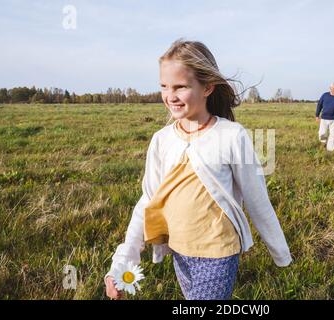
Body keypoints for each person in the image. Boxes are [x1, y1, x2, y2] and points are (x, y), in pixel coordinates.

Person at [104, 39, 292, 300]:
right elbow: (148, 200)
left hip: (218, 251)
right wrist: (123, 260)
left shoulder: (231, 135)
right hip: (179, 250)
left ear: (207, 87)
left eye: (180, 86)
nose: (170, 96)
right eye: (164, 86)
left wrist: (280, 252)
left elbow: (256, 197)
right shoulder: (162, 139)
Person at [315, 83, 334, 151]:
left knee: (333, 134)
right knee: (322, 133)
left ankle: (330, 149)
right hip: (324, 118)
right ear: (330, 88)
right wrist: (317, 115)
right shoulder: (324, 95)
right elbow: (319, 105)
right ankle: (323, 143)